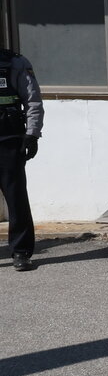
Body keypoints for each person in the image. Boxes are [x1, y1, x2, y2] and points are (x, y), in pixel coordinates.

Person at [0, 46, 42, 272]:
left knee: (16, 199)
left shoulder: (14, 63)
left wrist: (32, 134)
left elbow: (33, 100)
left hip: (8, 140)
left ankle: (21, 251)